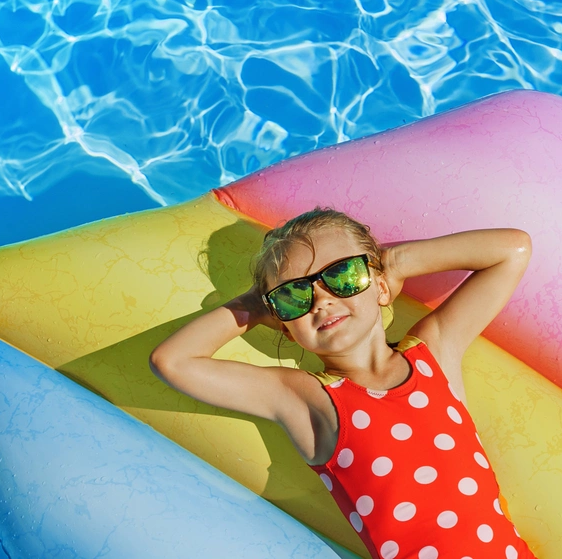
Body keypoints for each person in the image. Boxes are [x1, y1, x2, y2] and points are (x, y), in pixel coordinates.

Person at [150, 208, 537, 559]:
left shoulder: (434, 352)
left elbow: (512, 249)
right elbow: (173, 361)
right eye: (293, 295)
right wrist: (255, 303)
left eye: (342, 275)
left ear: (380, 287)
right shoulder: (307, 398)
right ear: (284, 327)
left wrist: (395, 263)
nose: (321, 300)